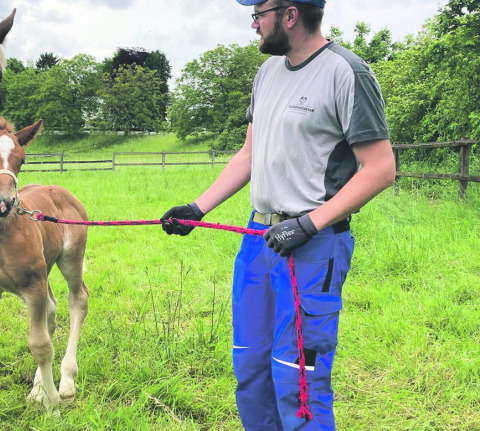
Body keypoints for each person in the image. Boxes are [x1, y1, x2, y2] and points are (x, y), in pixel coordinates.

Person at [161, 0, 396, 429]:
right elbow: (249, 154)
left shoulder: (347, 73)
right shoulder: (266, 74)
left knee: (298, 381)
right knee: (250, 369)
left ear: (290, 15)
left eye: (258, 13)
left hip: (314, 246)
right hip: (259, 239)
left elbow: (381, 169)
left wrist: (309, 223)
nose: (253, 23)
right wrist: (197, 208)